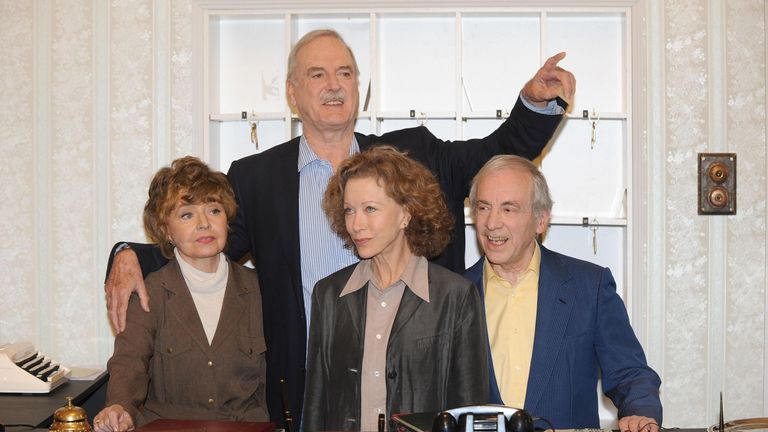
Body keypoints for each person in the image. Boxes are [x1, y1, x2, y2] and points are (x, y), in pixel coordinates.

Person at [105, 29, 574, 425]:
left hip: (411, 386)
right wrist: (130, 253)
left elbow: (497, 152)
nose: (334, 85)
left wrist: (536, 104)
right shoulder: (255, 177)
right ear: (292, 94)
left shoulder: (411, 156)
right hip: (304, 388)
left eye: (345, 73)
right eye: (317, 75)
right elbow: (203, 242)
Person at [464, 155, 662, 432]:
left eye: (509, 209)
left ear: (540, 220)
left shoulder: (589, 287)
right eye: (484, 208)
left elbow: (629, 372)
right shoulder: (452, 294)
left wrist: (640, 412)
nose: (492, 223)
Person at [304, 146, 488, 431]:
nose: (356, 224)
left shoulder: (455, 296)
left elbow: (469, 409)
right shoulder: (328, 295)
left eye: (370, 209)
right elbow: (316, 405)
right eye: (349, 210)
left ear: (406, 214)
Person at [94, 157, 268, 432]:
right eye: (187, 214)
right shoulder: (149, 291)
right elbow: (129, 361)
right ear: (166, 230)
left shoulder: (260, 289)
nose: (204, 224)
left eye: (214, 210)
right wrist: (120, 406)